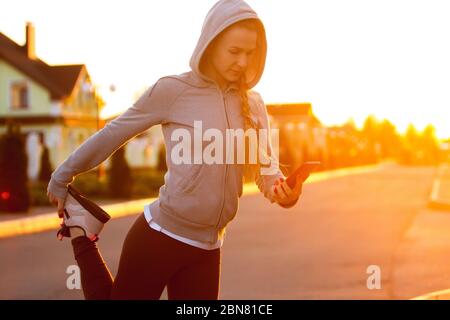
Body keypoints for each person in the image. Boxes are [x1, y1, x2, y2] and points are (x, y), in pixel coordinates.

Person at [47, 0, 304, 300]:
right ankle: (82, 234)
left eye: (251, 53)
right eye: (235, 52)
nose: (244, 62)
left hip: (208, 249)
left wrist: (285, 192)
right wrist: (62, 176)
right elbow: (113, 134)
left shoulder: (254, 105)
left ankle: (81, 224)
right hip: (160, 238)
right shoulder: (173, 91)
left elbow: (266, 172)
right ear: (211, 43)